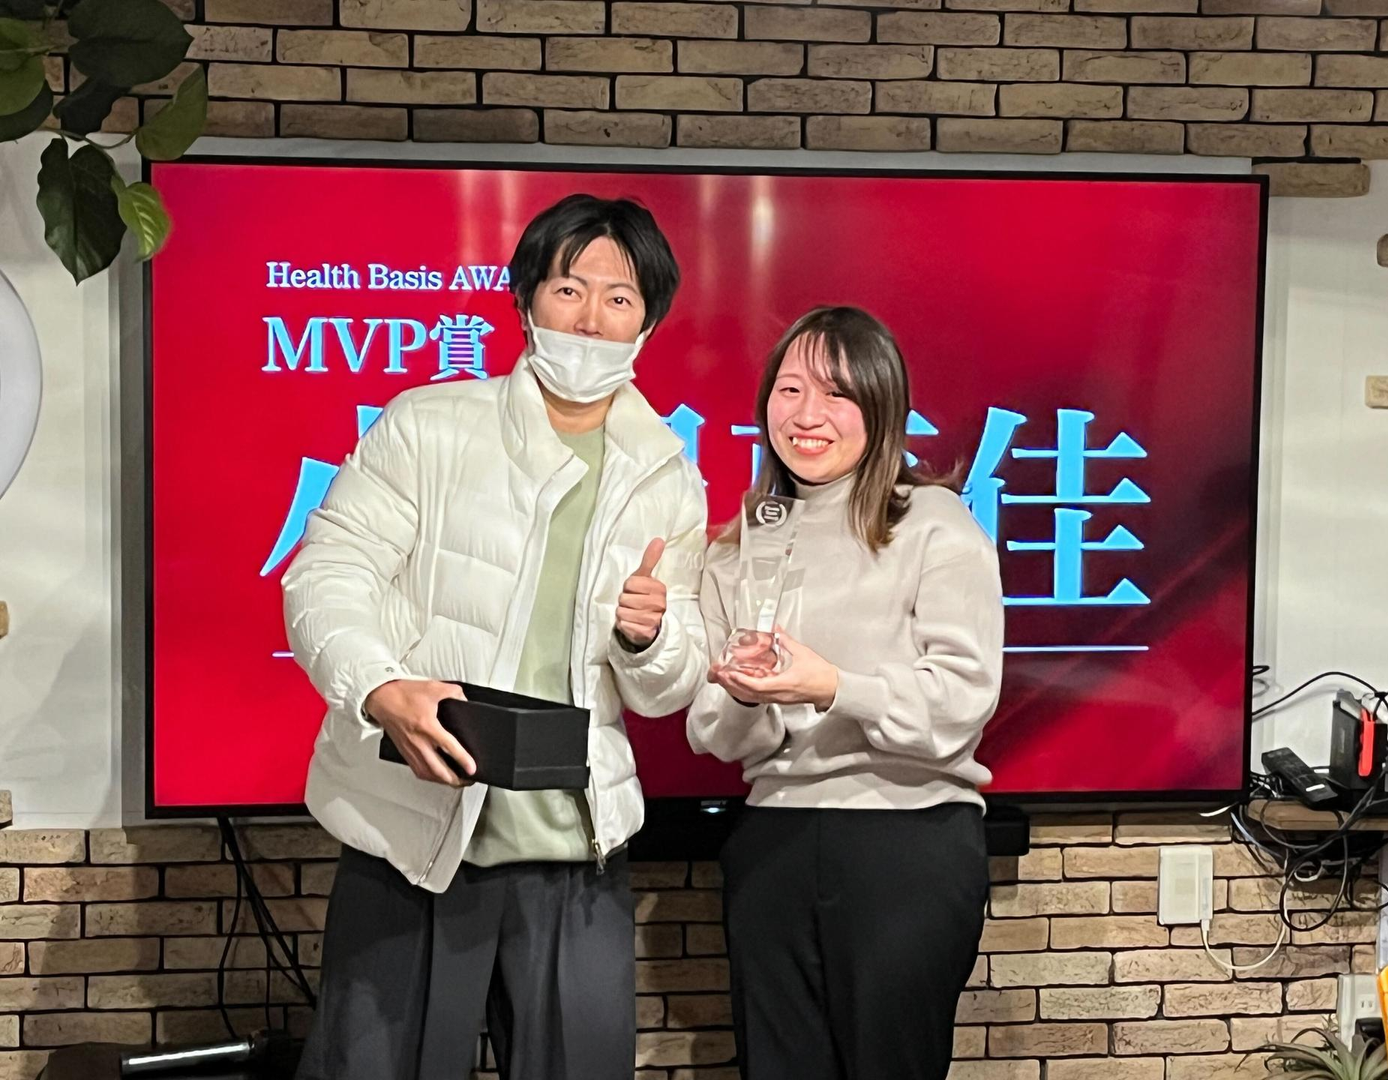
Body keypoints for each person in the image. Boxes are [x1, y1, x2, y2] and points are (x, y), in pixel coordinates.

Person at [283, 193, 709, 1080]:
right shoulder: (429, 425)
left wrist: (651, 638)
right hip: (414, 831)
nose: (590, 318)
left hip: (577, 845)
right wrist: (380, 689)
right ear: (524, 301)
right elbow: (326, 575)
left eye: (619, 298)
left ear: (648, 323)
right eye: (568, 289)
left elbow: (666, 688)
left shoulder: (667, 476)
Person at [687, 305, 1004, 1080]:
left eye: (836, 394)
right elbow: (713, 731)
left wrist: (833, 686)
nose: (807, 415)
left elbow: (962, 697)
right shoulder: (740, 544)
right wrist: (749, 696)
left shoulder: (932, 523)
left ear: (881, 406)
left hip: (908, 841)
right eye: (790, 390)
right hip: (773, 840)